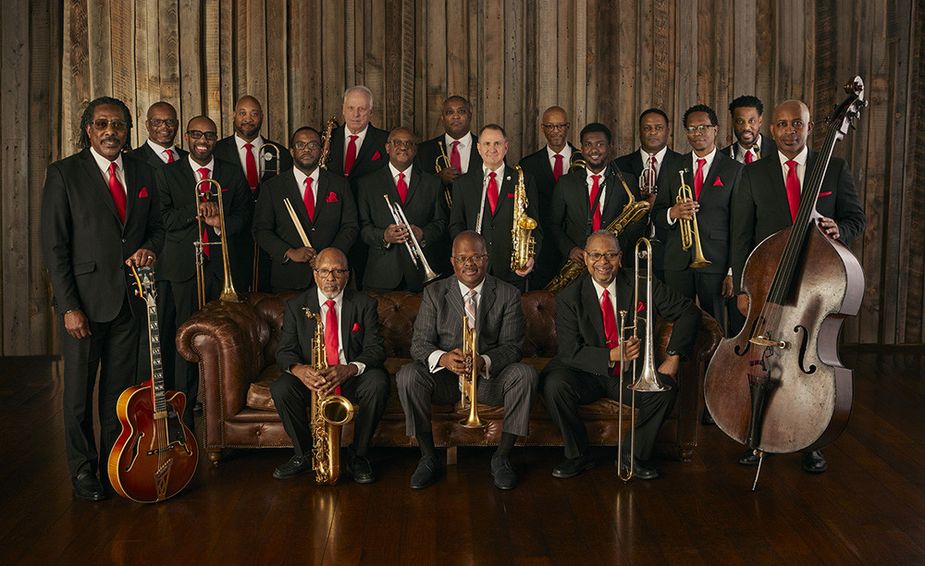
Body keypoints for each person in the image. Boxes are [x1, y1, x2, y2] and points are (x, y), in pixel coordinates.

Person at [731, 99, 866, 473]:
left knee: (811, 365)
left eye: (798, 124)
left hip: (816, 290)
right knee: (760, 364)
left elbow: (857, 219)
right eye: (783, 124)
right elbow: (741, 236)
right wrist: (744, 287)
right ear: (771, 130)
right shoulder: (754, 174)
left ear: (809, 128)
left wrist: (841, 229)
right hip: (768, 286)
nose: (791, 131)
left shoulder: (833, 169)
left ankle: (811, 441)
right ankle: (756, 437)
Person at [41, 96, 164, 501]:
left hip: (129, 301)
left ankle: (111, 465)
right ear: (88, 130)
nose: (111, 131)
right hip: (85, 306)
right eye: (102, 124)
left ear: (129, 131)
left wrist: (149, 247)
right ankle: (81, 471)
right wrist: (69, 306)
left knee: (118, 394)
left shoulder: (145, 172)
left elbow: (158, 228)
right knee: (77, 395)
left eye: (120, 125)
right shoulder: (64, 174)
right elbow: (55, 247)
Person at [542, 231, 700, 480]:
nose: (603, 262)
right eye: (595, 255)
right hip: (586, 374)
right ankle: (578, 455)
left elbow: (688, 312)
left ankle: (632, 456)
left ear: (620, 257)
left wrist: (673, 356)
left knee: (665, 390)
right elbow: (570, 352)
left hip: (631, 374)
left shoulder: (642, 282)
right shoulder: (569, 297)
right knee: (554, 385)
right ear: (585, 258)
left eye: (610, 255)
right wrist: (612, 355)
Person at [396, 231, 539, 490]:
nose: (469, 264)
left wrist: (483, 360)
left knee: (525, 374)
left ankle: (502, 457)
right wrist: (445, 358)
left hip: (488, 381)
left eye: (475, 257)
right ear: (453, 262)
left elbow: (512, 348)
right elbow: (419, 345)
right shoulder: (434, 293)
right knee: (407, 375)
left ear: (486, 259)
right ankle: (428, 457)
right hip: (446, 381)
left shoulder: (507, 293)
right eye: (462, 258)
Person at [156, 115, 252, 427]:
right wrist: (196, 211)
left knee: (226, 334)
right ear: (186, 136)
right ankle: (185, 400)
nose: (202, 140)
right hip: (185, 267)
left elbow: (244, 218)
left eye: (209, 135)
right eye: (196, 134)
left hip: (221, 267)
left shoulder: (231, 173)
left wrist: (221, 221)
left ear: (216, 138)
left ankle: (224, 399)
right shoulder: (169, 173)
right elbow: (163, 218)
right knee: (186, 334)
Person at [271, 248, 390, 483]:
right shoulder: (297, 305)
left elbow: (376, 350)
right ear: (315, 274)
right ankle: (304, 454)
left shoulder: (364, 304)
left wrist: (350, 368)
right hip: (312, 378)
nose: (331, 278)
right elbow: (284, 352)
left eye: (338, 271)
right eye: (324, 271)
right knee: (281, 388)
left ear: (347, 275)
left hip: (350, 377)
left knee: (378, 382)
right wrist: (299, 370)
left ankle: (358, 456)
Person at [653, 104, 742, 330]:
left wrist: (733, 271)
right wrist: (672, 213)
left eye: (703, 127)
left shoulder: (734, 169)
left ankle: (712, 366)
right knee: (675, 324)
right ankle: (678, 365)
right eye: (691, 128)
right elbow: (656, 213)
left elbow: (739, 225)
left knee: (716, 324)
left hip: (716, 262)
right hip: (677, 262)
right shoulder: (673, 166)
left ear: (716, 129)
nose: (697, 133)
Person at [253, 126, 358, 293]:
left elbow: (350, 226)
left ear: (321, 150)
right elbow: (261, 230)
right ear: (291, 151)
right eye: (300, 145)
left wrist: (328, 257)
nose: (306, 150)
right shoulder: (272, 187)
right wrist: (289, 252)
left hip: (333, 277)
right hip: (289, 279)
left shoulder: (340, 184)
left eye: (313, 145)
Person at [547, 123, 645, 283]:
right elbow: (553, 224)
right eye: (588, 144)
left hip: (615, 264)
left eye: (600, 144)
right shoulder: (565, 183)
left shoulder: (626, 181)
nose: (594, 150)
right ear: (582, 148)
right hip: (577, 263)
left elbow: (638, 222)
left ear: (609, 147)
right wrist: (570, 249)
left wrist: (614, 250)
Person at [214, 95, 294, 292]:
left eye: (254, 114)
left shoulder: (280, 153)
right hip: (230, 238)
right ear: (233, 116)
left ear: (262, 117)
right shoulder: (216, 151)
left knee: (265, 294)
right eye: (242, 113)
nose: (248, 119)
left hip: (270, 239)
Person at [448, 124, 541, 291]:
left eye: (497, 143)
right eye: (487, 144)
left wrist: (530, 257)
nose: (492, 148)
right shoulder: (463, 184)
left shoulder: (524, 180)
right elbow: (456, 225)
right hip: (473, 270)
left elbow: (536, 226)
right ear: (478, 147)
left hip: (513, 269)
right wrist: (465, 257)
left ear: (506, 146)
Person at [357, 127, 446, 292]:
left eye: (408, 143)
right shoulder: (367, 184)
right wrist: (384, 236)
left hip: (421, 276)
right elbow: (362, 227)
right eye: (397, 142)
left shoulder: (432, 183)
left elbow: (441, 223)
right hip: (381, 275)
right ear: (387, 148)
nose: (403, 147)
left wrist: (423, 233)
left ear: (415, 149)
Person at [325, 86, 390, 284]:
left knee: (367, 284)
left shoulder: (386, 141)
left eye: (362, 109)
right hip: (332, 224)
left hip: (369, 225)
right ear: (343, 109)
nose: (356, 114)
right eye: (351, 108)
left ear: (371, 111)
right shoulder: (326, 138)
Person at [613, 108, 685, 282]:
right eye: (647, 128)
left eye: (658, 127)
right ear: (639, 131)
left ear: (668, 130)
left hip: (671, 253)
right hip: (630, 250)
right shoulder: (619, 165)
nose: (653, 132)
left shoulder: (683, 163)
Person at [414, 95, 481, 277]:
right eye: (450, 112)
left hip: (475, 231)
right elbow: (416, 189)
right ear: (442, 117)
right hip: (436, 237)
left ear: (470, 114)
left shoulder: (486, 148)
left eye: (461, 111)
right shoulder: (424, 151)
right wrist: (438, 179)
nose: (456, 116)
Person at [519, 106, 581, 289]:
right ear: (542, 128)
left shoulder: (583, 160)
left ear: (568, 127)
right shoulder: (528, 164)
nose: (555, 131)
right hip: (542, 246)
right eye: (550, 126)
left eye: (560, 126)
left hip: (575, 245)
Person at [128, 101, 188, 168]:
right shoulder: (131, 159)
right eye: (157, 122)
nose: (164, 126)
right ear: (147, 125)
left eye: (170, 121)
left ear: (177, 124)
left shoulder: (188, 157)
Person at [721, 95, 777, 164]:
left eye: (751, 121)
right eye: (740, 122)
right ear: (733, 122)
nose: (746, 127)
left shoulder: (777, 151)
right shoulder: (723, 157)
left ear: (760, 121)